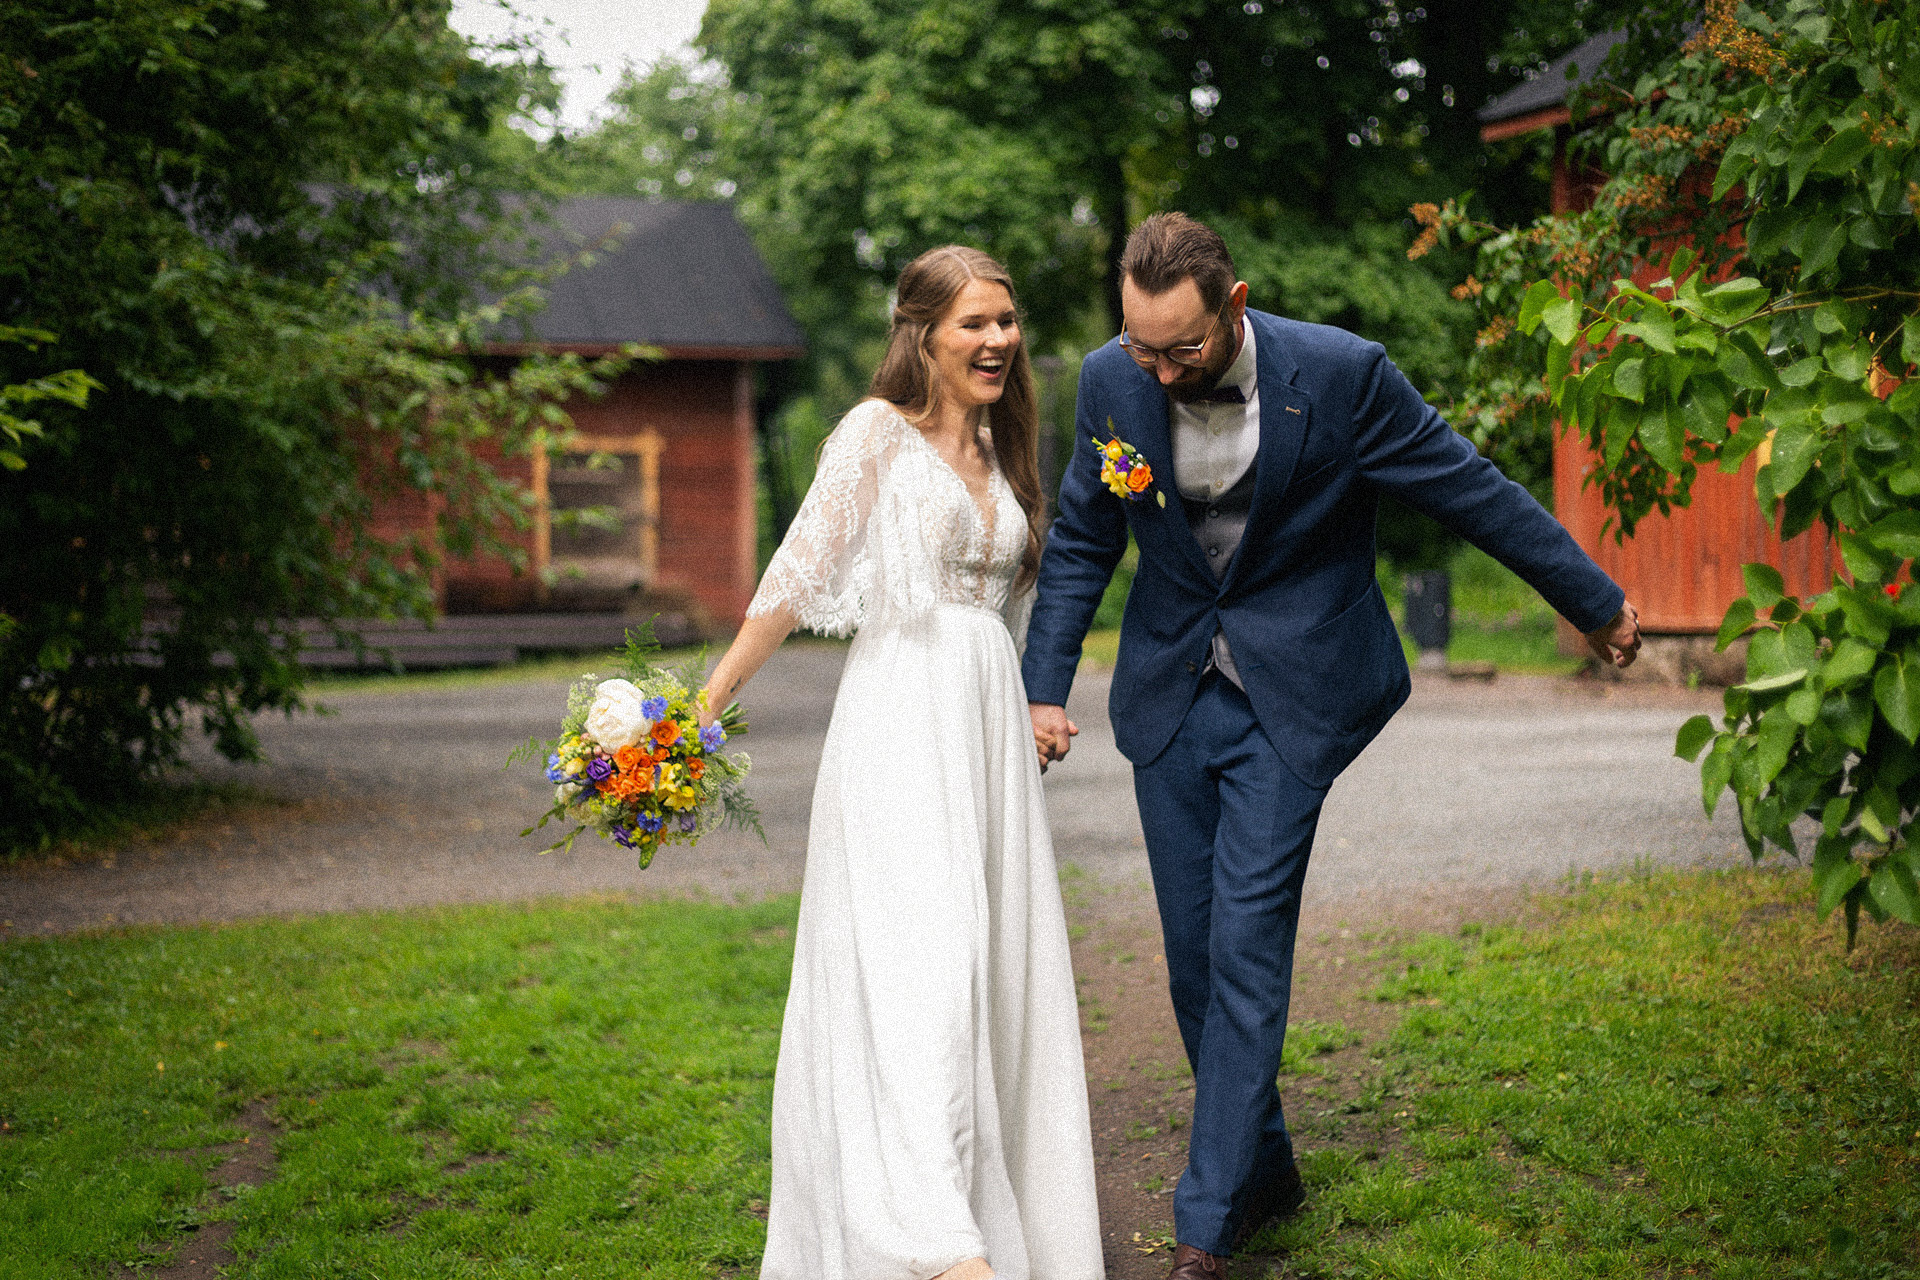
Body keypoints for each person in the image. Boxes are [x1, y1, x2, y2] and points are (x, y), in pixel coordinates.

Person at [1023, 212, 1641, 1279]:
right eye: (1141, 348)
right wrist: (1041, 688)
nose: (1160, 374)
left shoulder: (1344, 375)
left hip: (1293, 696)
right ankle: (1262, 1169)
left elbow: (1467, 488)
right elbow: (1083, 536)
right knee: (1193, 962)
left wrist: (1590, 601)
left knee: (1246, 943)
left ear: (1235, 305)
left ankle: (1204, 1223)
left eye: (1183, 350)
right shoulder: (1110, 381)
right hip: (1170, 694)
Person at [701, 245, 1105, 1280]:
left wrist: (1032, 709)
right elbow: (795, 575)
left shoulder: (1006, 451)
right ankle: (930, 1239)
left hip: (986, 740)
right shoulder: (875, 432)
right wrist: (701, 707)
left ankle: (994, 1217)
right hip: (898, 730)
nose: (999, 340)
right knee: (923, 967)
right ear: (922, 333)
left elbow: (1010, 613)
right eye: (976, 322)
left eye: (1007, 321)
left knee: (990, 973)